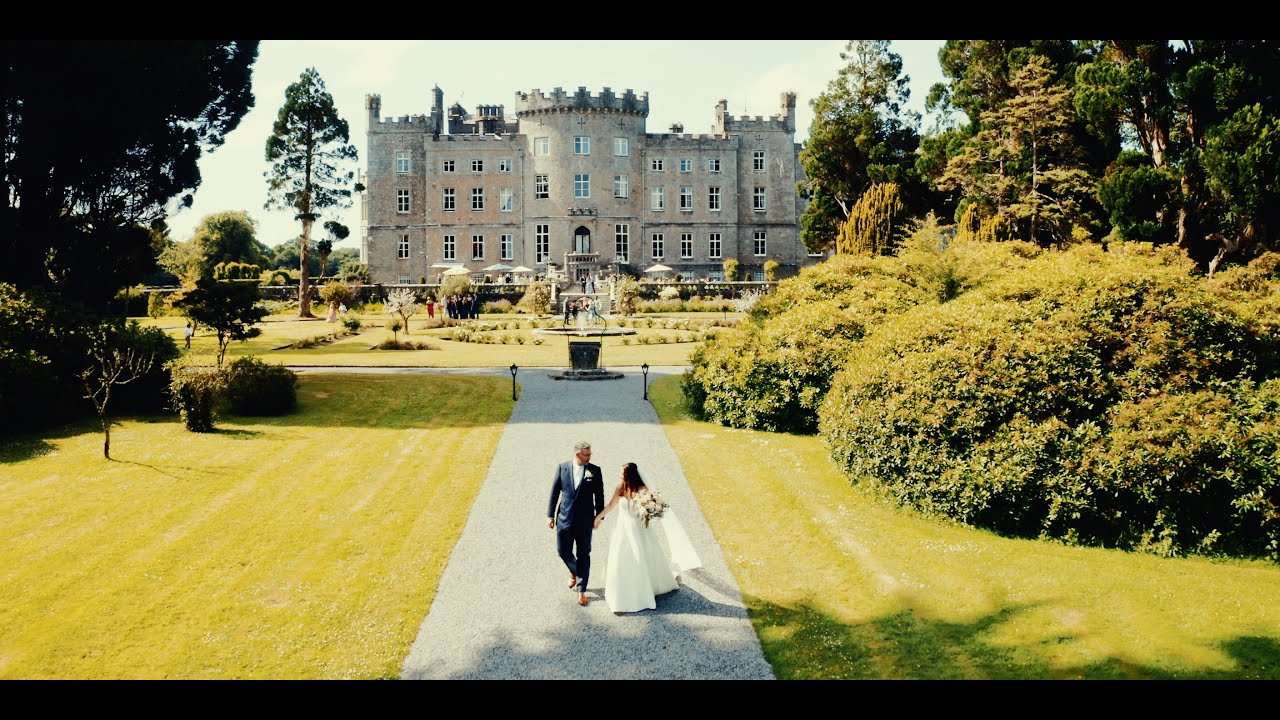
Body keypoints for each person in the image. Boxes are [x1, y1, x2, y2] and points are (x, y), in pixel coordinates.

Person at [595, 462, 684, 613]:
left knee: (640, 558)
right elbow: (611, 505)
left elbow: (652, 509)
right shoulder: (620, 488)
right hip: (622, 530)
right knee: (620, 558)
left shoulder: (644, 490)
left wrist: (651, 511)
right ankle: (621, 591)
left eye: (622, 473)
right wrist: (598, 518)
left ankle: (643, 592)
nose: (619, 475)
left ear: (629, 475)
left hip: (639, 530)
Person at [548, 441, 605, 607]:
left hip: (585, 521)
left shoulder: (595, 471)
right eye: (586, 455)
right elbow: (554, 492)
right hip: (564, 519)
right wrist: (549, 515)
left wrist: (599, 517)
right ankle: (574, 571)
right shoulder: (562, 468)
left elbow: (599, 495)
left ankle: (581, 590)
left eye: (590, 454)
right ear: (577, 454)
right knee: (562, 551)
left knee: (584, 554)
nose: (589, 457)